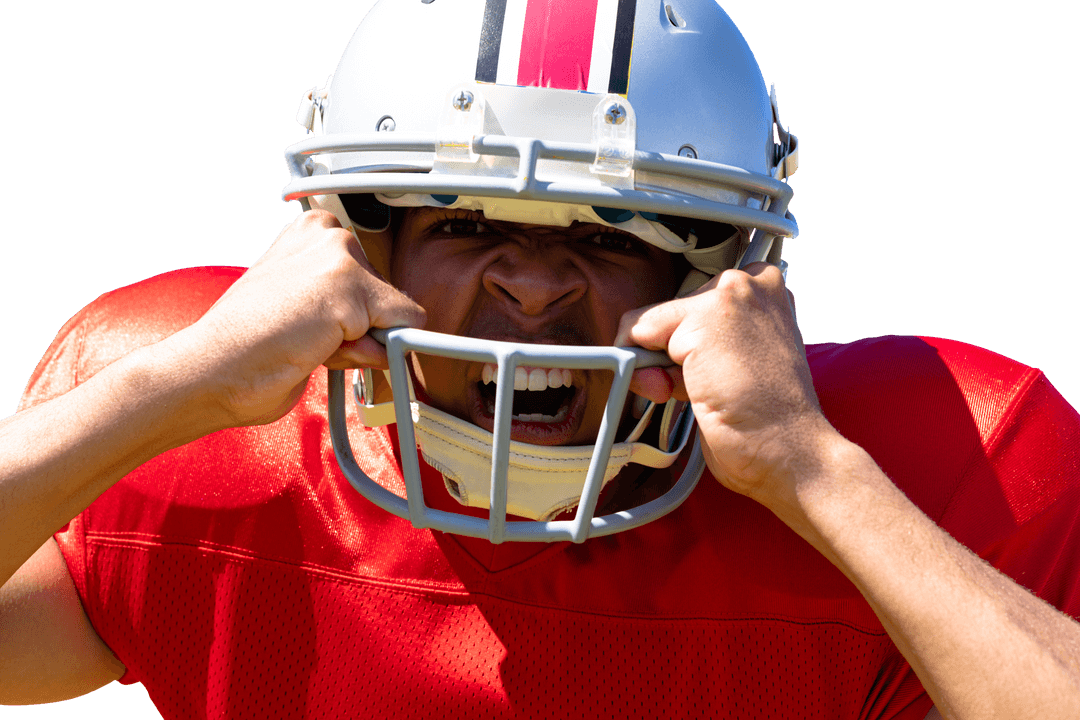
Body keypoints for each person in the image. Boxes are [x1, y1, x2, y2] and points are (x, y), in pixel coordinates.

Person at [2, 0, 1079, 717]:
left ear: (718, 274)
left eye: (612, 235)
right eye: (466, 226)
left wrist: (818, 473)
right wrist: (165, 389)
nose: (533, 284)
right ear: (349, 242)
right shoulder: (196, 430)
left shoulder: (939, 457)